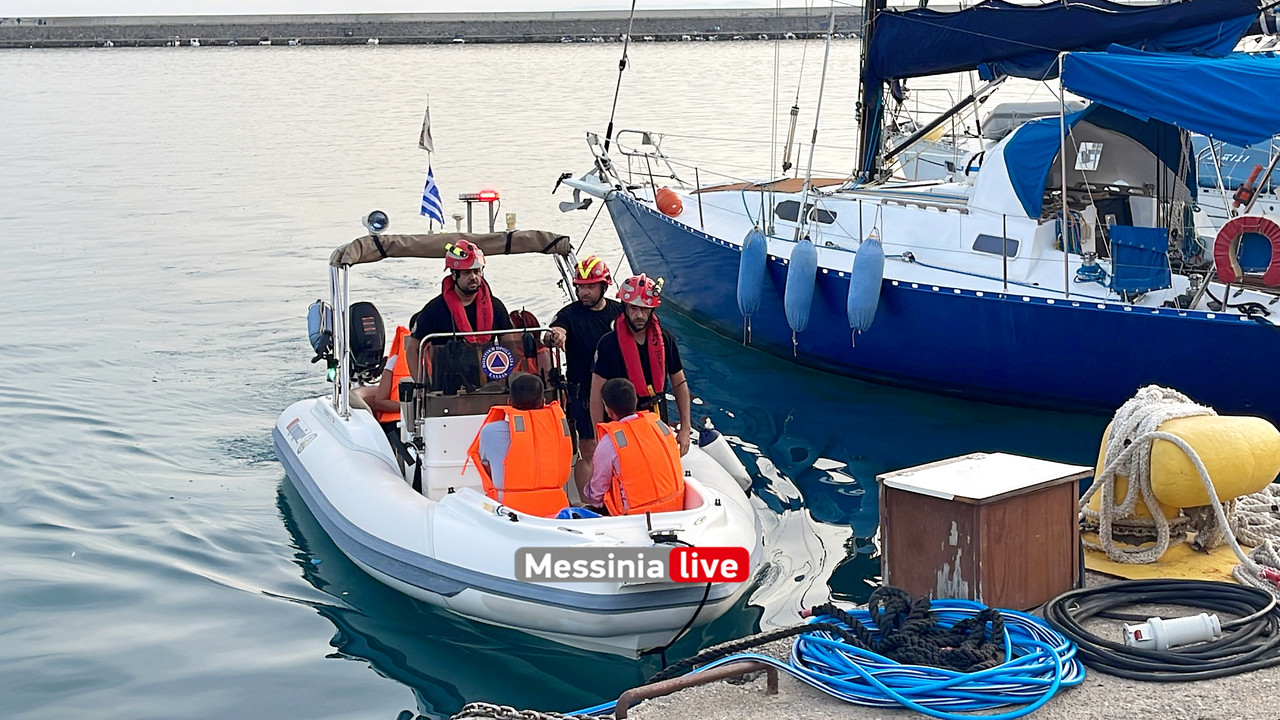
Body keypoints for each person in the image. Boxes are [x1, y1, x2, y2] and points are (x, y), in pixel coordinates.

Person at [543, 254, 623, 498]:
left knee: (622, 447)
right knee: (589, 450)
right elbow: (555, 331)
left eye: (590, 287)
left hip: (617, 393)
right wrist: (555, 336)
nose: (584, 292)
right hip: (583, 393)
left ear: (604, 286)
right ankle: (590, 504)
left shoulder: (620, 313)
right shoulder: (569, 314)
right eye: (580, 287)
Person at [589, 273, 692, 456]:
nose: (639, 315)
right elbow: (596, 394)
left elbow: (680, 383)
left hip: (656, 417)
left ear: (652, 309)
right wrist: (600, 437)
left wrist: (685, 428)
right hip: (621, 423)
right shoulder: (608, 344)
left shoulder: (666, 339)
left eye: (644, 309)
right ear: (624, 308)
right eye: (633, 308)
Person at [405, 239, 514, 387]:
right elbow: (412, 349)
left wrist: (505, 378)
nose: (473, 277)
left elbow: (509, 343)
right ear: (454, 275)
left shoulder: (496, 307)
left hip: (490, 387)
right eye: (467, 272)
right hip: (447, 389)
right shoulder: (434, 310)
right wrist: (422, 384)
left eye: (477, 271)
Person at [466, 373, 573, 517]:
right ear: (543, 402)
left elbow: (487, 469)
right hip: (558, 511)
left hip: (508, 512)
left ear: (509, 402)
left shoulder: (490, 432)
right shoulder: (560, 429)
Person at [584, 378, 685, 516]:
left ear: (608, 410)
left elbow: (597, 494)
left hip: (634, 518)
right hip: (676, 510)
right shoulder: (660, 426)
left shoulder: (609, 443)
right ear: (635, 401)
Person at [353, 321, 414, 425]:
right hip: (399, 423)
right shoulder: (395, 361)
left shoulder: (440, 360)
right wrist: (410, 408)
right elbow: (380, 402)